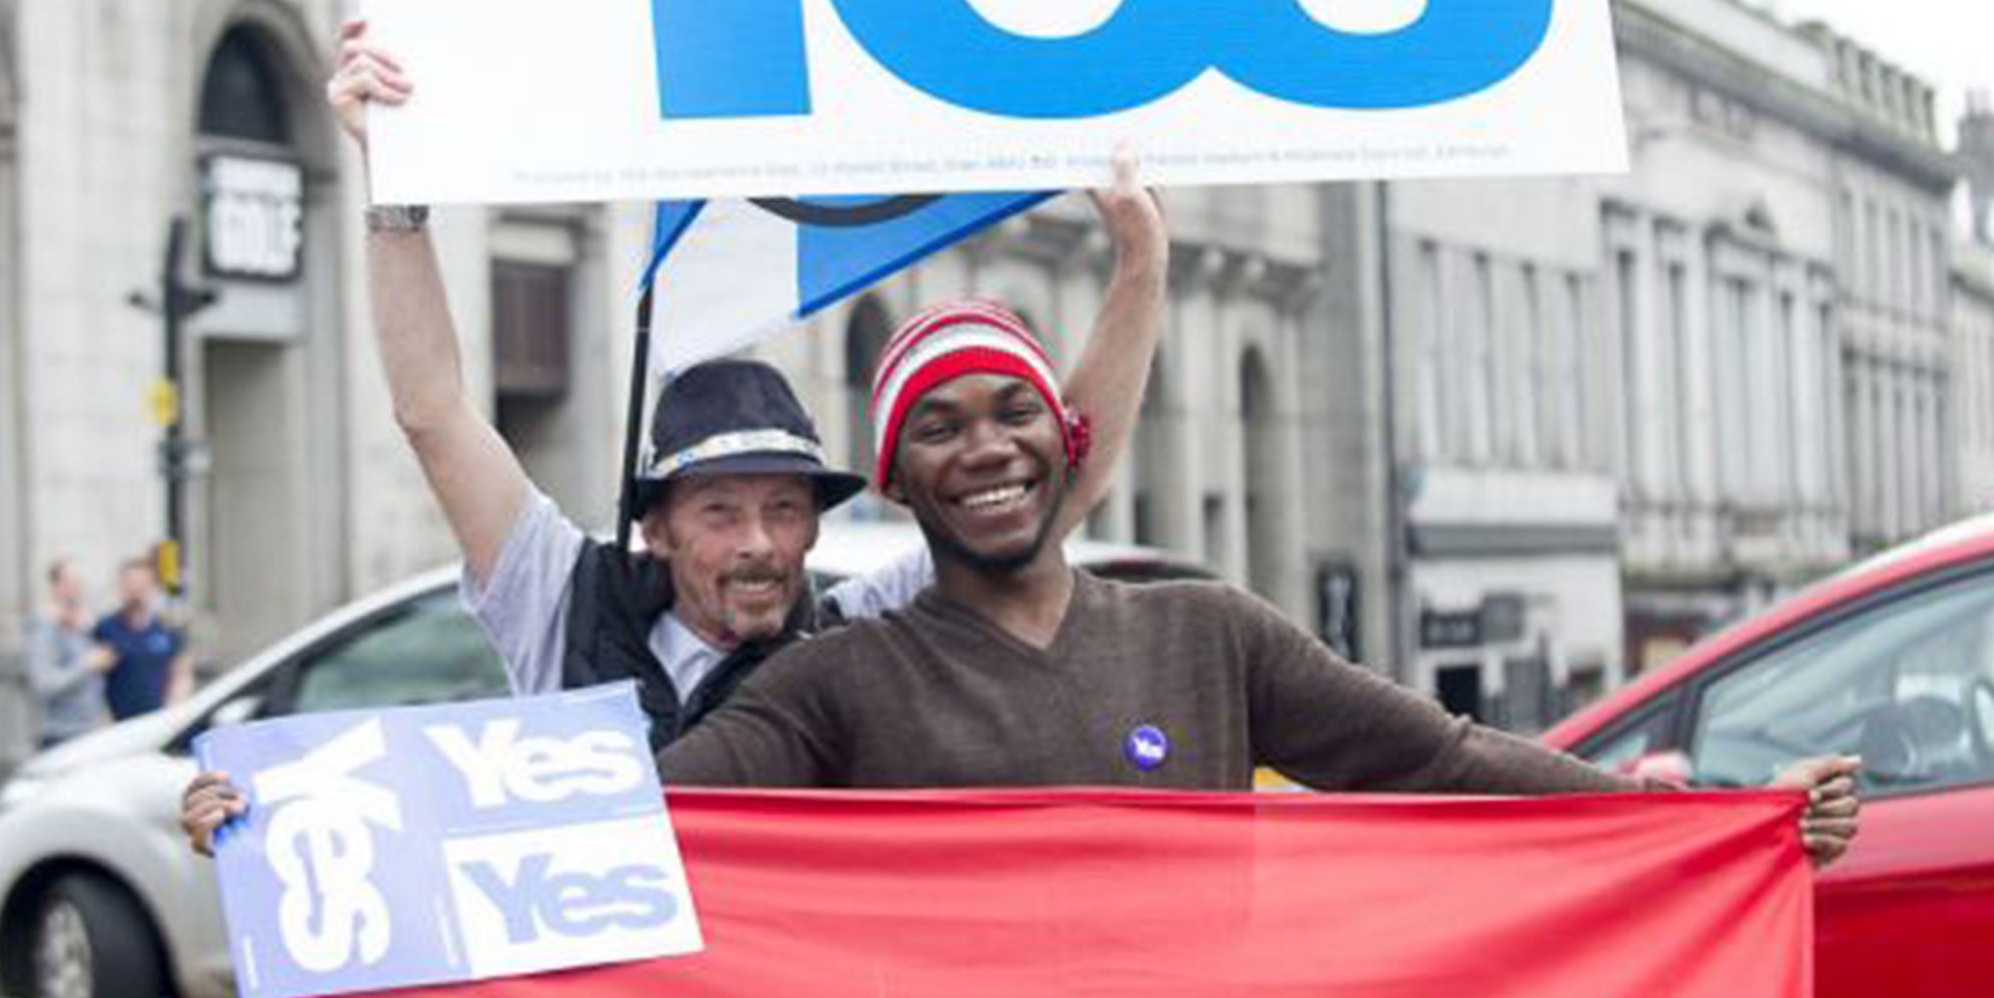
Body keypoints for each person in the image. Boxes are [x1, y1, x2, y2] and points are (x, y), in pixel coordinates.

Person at [181, 25, 1165, 853]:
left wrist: (1138, 266)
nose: (759, 542)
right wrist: (261, 817)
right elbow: (432, 414)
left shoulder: (861, 627)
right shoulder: (559, 601)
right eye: (721, 511)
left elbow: (1055, 495)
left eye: (784, 509)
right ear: (654, 528)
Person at [651, 301, 1861, 866]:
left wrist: (1719, 825)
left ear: (1066, 444)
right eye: (937, 427)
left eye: (1014, 410)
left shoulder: (1211, 636)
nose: (983, 447)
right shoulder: (833, 684)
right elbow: (648, 820)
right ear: (896, 485)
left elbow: (1443, 763)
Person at [25, 558, 113, 748]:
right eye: (69, 582)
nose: (76, 589)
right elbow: (44, 683)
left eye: (79, 583)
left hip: (91, 731)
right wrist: (86, 664)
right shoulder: (45, 628)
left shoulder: (85, 625)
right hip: (61, 735)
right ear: (55, 586)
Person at [92, 556, 193, 721]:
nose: (137, 589)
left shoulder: (166, 628)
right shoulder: (106, 628)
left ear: (152, 587)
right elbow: (94, 677)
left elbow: (181, 672)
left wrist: (175, 709)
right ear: (121, 586)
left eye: (142, 583)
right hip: (120, 723)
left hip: (159, 721)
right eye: (131, 583)